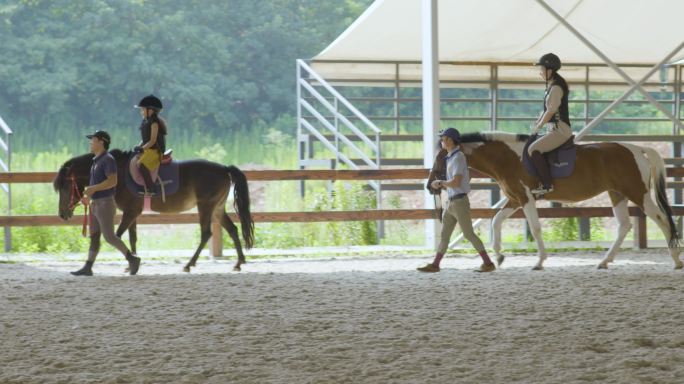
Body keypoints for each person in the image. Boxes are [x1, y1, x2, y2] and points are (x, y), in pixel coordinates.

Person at [417, 128, 496, 273]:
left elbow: (456, 182)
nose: (443, 141)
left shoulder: (458, 157)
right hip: (451, 202)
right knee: (445, 235)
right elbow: (453, 183)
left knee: (468, 234)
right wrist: (440, 184)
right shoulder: (450, 157)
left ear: (452, 141)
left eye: (445, 138)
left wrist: (440, 183)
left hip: (459, 202)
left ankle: (488, 263)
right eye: (442, 138)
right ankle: (435, 264)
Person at [71, 130, 141, 276]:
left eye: (93, 140)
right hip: (95, 203)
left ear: (101, 142)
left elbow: (112, 181)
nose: (90, 142)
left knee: (109, 237)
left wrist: (93, 189)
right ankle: (88, 266)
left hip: (105, 203)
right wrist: (88, 197)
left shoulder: (108, 160)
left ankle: (132, 259)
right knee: (95, 235)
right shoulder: (96, 161)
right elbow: (94, 184)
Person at [528, 53, 573, 194]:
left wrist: (538, 127)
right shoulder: (552, 86)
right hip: (553, 129)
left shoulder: (556, 88)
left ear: (549, 70)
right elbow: (547, 110)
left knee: (533, 150)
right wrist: (538, 121)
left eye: (541, 69)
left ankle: (547, 184)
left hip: (560, 131)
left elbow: (551, 111)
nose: (540, 73)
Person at [134, 94, 167, 196]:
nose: (141, 112)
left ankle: (151, 188)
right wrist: (139, 146)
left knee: (142, 165)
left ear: (151, 111)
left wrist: (142, 148)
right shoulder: (145, 122)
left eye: (143, 110)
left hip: (155, 151)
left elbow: (152, 141)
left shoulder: (154, 123)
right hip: (149, 149)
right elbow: (145, 139)